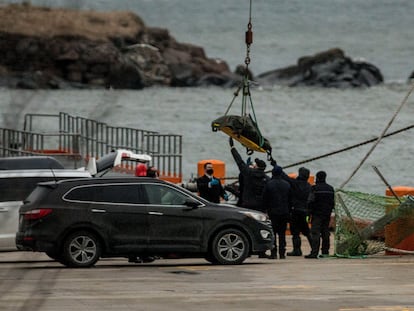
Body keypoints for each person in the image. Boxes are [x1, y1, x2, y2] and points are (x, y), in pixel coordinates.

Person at [229, 137, 269, 212]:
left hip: (247, 206)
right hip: (260, 207)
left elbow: (240, 162)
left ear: (256, 166)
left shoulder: (248, 173)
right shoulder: (267, 179)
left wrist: (232, 148)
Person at [282, 167, 312, 256]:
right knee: (306, 231)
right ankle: (314, 248)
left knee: (295, 232)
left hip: (295, 210)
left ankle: (297, 250)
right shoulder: (309, 186)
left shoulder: (295, 183)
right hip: (304, 211)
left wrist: (275, 165)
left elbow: (284, 177)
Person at [305, 171, 335, 259]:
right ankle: (325, 252)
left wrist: (308, 214)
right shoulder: (330, 188)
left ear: (317, 178)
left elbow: (310, 201)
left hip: (317, 214)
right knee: (325, 233)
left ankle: (314, 253)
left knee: (315, 233)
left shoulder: (314, 188)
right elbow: (333, 202)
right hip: (327, 214)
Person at [263, 165, 291, 259]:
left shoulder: (269, 184)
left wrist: (266, 209)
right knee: (282, 234)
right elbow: (290, 199)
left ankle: (273, 252)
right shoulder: (287, 184)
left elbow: (265, 198)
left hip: (272, 212)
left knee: (273, 233)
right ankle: (282, 253)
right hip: (284, 211)